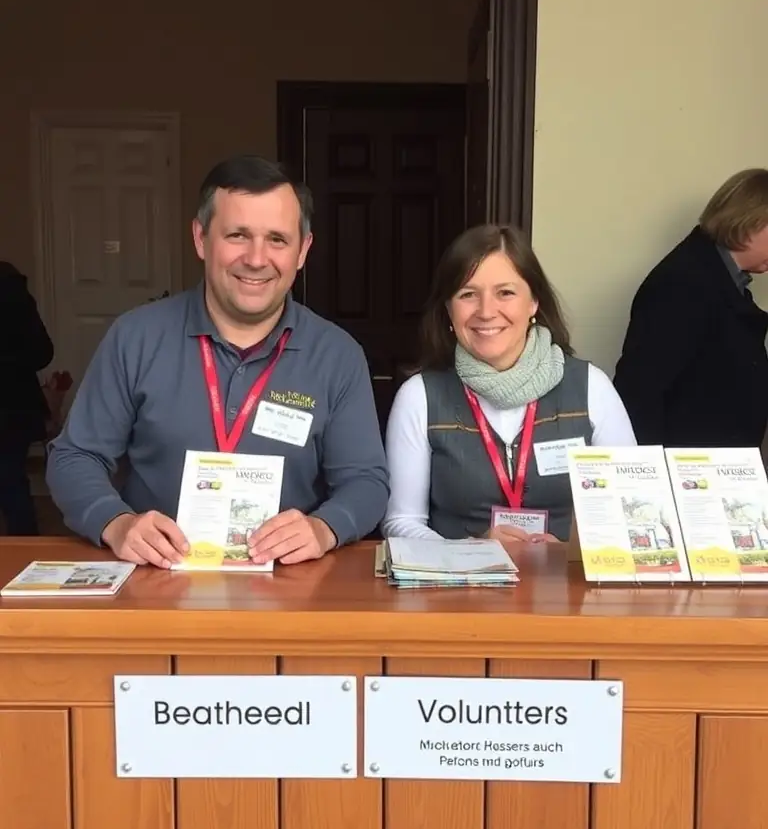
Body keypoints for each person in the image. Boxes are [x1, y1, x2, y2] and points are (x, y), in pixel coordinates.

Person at [46, 155, 388, 567]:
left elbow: (366, 483)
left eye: (277, 239)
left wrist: (325, 527)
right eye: (238, 235)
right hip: (154, 580)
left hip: (288, 587)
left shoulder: (337, 355)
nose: (257, 258)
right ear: (201, 238)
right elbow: (74, 457)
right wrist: (116, 523)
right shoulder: (135, 337)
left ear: (303, 251)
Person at [381, 225, 636, 544]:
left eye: (506, 293)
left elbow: (633, 510)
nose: (486, 312)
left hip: (567, 590)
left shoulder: (592, 389)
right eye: (468, 294)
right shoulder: (419, 396)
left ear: (533, 303)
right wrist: (471, 549)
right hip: (457, 588)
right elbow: (400, 523)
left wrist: (571, 554)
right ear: (448, 309)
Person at [613, 168, 768, 448]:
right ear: (752, 222)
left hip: (713, 475)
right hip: (688, 478)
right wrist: (655, 481)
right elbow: (640, 392)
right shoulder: (682, 282)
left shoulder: (721, 277)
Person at [0, 261, 55, 535]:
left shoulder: (10, 287)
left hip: (11, 407)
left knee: (11, 482)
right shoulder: (12, 285)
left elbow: (42, 351)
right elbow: (42, 351)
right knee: (12, 482)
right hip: (15, 407)